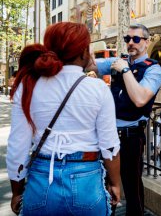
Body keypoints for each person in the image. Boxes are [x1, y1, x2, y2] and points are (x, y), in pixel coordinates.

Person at [7, 22, 121, 216]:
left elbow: (17, 146)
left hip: (41, 182)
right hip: (87, 181)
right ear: (83, 51)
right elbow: (109, 146)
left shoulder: (28, 87)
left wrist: (17, 191)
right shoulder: (98, 89)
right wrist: (115, 183)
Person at [88, 24, 161, 216]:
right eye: (127, 39)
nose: (131, 43)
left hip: (132, 135)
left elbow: (140, 99)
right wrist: (87, 45)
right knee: (105, 183)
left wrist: (125, 71)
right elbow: (90, 66)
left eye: (136, 39)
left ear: (146, 42)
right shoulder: (118, 61)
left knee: (132, 185)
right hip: (109, 134)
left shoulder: (153, 68)